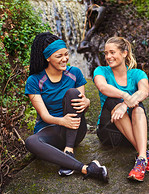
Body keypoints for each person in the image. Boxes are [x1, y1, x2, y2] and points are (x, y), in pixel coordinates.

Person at [24, 32, 108, 182]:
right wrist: (62, 121)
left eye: (66, 54)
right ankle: (86, 168)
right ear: (47, 58)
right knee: (31, 141)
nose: (65, 59)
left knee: (72, 93)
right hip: (51, 130)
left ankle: (69, 150)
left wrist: (87, 102)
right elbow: (45, 116)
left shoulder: (74, 73)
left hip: (75, 130)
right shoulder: (34, 80)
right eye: (59, 56)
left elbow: (80, 108)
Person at [93, 36, 149, 182]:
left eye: (112, 52)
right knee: (112, 100)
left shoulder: (137, 74)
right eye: (106, 53)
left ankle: (141, 158)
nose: (108, 57)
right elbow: (103, 87)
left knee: (138, 107)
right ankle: (144, 154)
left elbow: (144, 92)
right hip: (110, 132)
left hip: (132, 134)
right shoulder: (101, 71)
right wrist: (124, 96)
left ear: (124, 53)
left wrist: (125, 105)